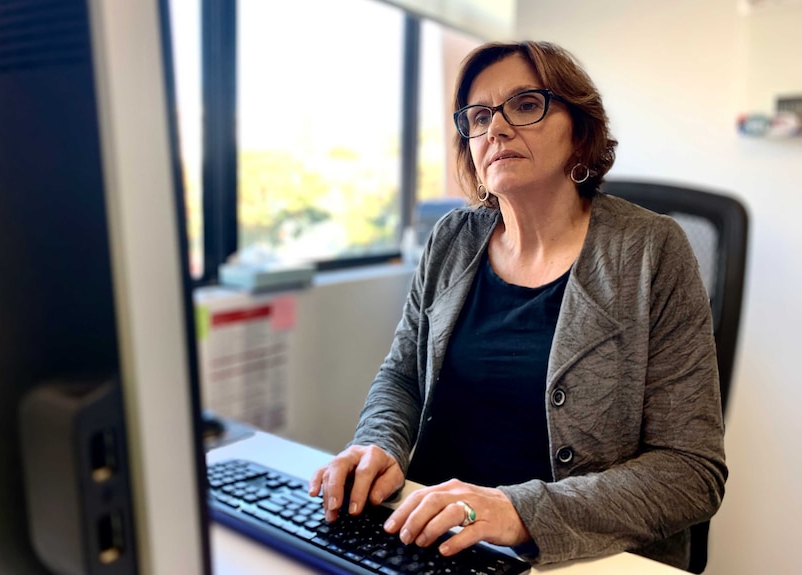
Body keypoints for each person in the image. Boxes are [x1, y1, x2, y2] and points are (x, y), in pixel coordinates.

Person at [308, 40, 727, 571]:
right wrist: (379, 445)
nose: (496, 129)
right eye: (478, 116)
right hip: (426, 536)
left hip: (571, 558)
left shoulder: (651, 250)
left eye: (525, 105)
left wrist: (518, 511)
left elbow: (690, 471)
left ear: (579, 129)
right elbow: (402, 378)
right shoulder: (452, 239)